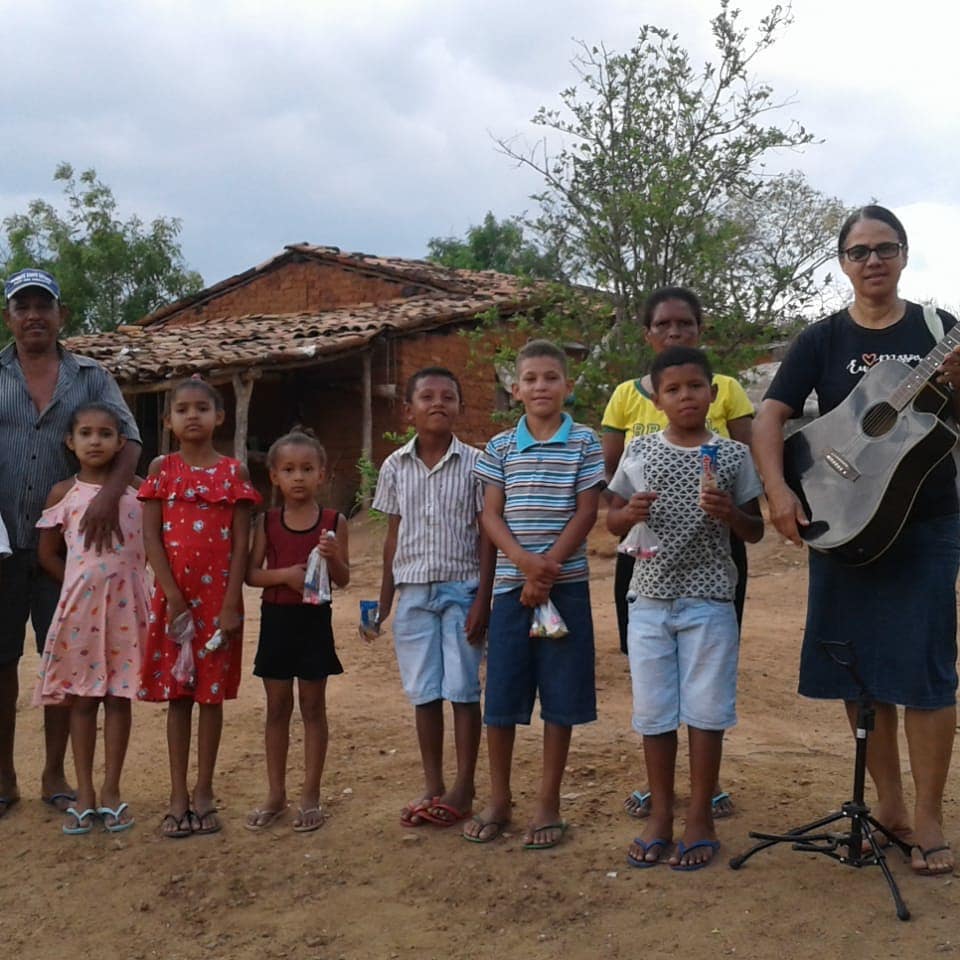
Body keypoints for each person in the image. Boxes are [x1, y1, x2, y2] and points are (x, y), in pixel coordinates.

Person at [752, 205, 960, 877]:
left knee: (928, 672)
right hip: (840, 519)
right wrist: (780, 490)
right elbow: (772, 416)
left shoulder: (940, 331)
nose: (873, 260)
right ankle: (889, 807)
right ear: (843, 262)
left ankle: (929, 818)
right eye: (860, 250)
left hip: (926, 523)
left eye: (886, 248)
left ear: (904, 256)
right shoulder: (822, 339)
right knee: (859, 668)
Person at [607, 346, 763, 870]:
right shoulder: (642, 451)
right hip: (648, 600)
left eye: (695, 387)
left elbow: (756, 529)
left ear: (713, 393)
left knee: (706, 710)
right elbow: (611, 523)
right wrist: (627, 511)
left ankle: (700, 816)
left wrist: (730, 516)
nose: (685, 397)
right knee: (654, 712)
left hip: (710, 600)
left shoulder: (733, 457)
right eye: (673, 390)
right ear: (656, 398)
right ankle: (660, 816)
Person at [0, 268, 141, 822]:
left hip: (70, 556)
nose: (33, 314)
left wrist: (107, 498)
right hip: (5, 545)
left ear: (61, 314)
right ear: (10, 315)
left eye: (44, 305)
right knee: (1, 663)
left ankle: (55, 773)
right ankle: (3, 775)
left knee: (66, 667)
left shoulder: (90, 376)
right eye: (22, 305)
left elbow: (130, 438)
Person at [464, 340, 604, 848]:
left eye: (551, 377)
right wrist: (525, 564)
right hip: (509, 591)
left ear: (568, 385)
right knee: (500, 696)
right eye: (531, 378)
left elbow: (587, 512)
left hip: (564, 590)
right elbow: (489, 516)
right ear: (515, 388)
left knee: (561, 696)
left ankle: (548, 802)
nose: (541, 386)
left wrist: (547, 570)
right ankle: (499, 798)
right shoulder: (500, 448)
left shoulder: (585, 442)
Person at [370, 367, 494, 828]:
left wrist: (483, 598)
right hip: (414, 595)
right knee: (424, 692)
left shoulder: (477, 464)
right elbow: (392, 536)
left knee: (462, 688)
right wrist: (384, 602)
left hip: (462, 590)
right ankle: (433, 784)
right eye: (426, 396)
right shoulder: (394, 466)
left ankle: (464, 785)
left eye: (448, 396)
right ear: (408, 411)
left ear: (460, 407)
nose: (437, 403)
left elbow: (487, 536)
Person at [137, 376, 260, 838]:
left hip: (218, 605)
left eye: (202, 408)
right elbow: (151, 537)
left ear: (219, 417)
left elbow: (242, 542)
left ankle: (204, 790)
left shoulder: (235, 474)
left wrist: (232, 603)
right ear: (168, 421)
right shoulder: (161, 469)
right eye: (182, 409)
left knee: (210, 698)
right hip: (175, 603)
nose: (193, 416)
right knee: (178, 697)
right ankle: (176, 794)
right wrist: (171, 598)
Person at [34, 402, 149, 834]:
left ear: (122, 442)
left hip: (128, 611)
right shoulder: (63, 494)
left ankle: (112, 790)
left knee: (119, 698)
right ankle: (83, 792)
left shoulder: (139, 490)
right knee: (82, 702)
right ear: (71, 442)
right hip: (81, 614)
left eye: (105, 434)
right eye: (86, 433)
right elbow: (47, 554)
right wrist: (80, 586)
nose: (95, 441)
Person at [245, 429, 349, 833]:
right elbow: (252, 574)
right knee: (276, 709)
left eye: (307, 469)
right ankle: (275, 793)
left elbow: (341, 579)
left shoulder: (332, 522)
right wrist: (284, 576)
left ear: (321, 474)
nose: (298, 477)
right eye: (289, 470)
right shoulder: (267, 522)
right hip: (277, 621)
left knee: (312, 707)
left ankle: (310, 794)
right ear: (273, 477)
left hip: (313, 623)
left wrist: (334, 556)